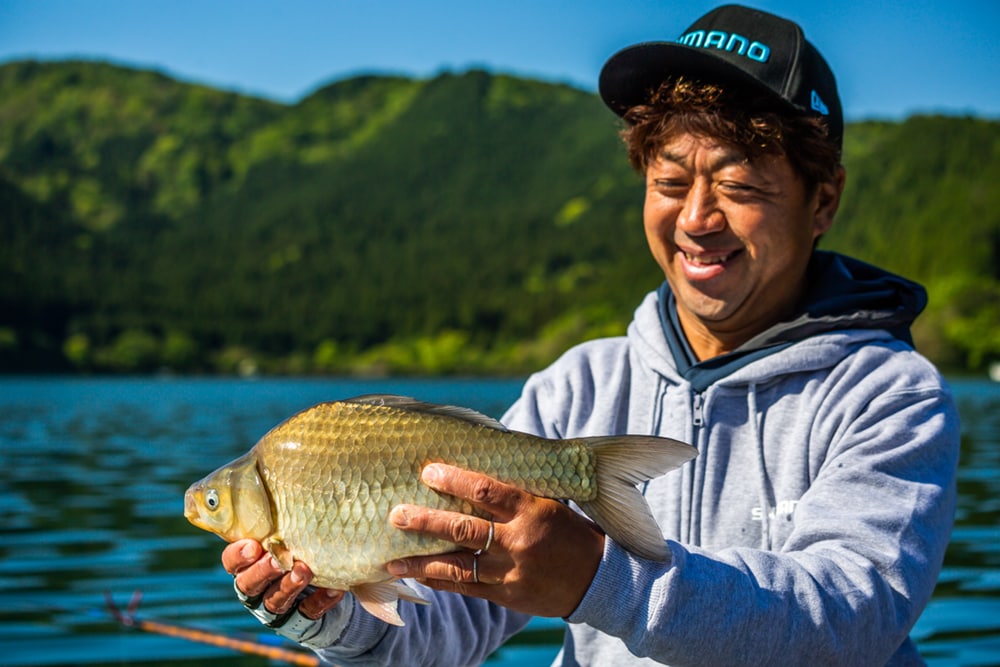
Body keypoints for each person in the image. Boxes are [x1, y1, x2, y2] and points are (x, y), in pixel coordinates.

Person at [221, 5, 960, 665]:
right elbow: (444, 628)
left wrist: (597, 577)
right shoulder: (578, 387)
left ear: (822, 200)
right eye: (671, 182)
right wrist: (334, 620)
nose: (698, 218)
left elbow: (847, 621)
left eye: (738, 185)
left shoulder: (890, 395)